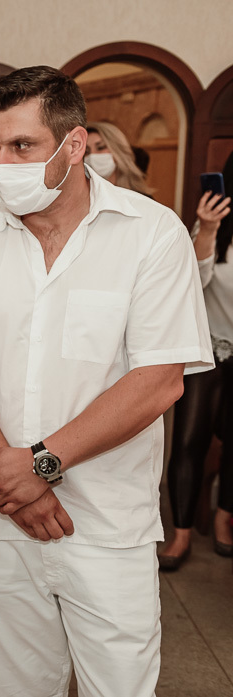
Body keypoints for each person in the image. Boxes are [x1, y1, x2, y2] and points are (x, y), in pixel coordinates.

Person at [0, 66, 212, 697]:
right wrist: (12, 479)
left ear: (74, 146)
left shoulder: (150, 234)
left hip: (107, 526)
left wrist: (42, 463)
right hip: (2, 522)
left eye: (23, 146)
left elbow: (158, 381)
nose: (3, 162)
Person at [159, 183, 233, 569]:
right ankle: (182, 534)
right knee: (188, 440)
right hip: (211, 350)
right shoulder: (210, 230)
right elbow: (194, 283)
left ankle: (224, 518)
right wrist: (207, 229)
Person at [84, 121, 154, 195]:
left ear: (118, 151)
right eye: (86, 152)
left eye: (101, 147)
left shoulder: (138, 198)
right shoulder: (84, 198)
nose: (92, 155)